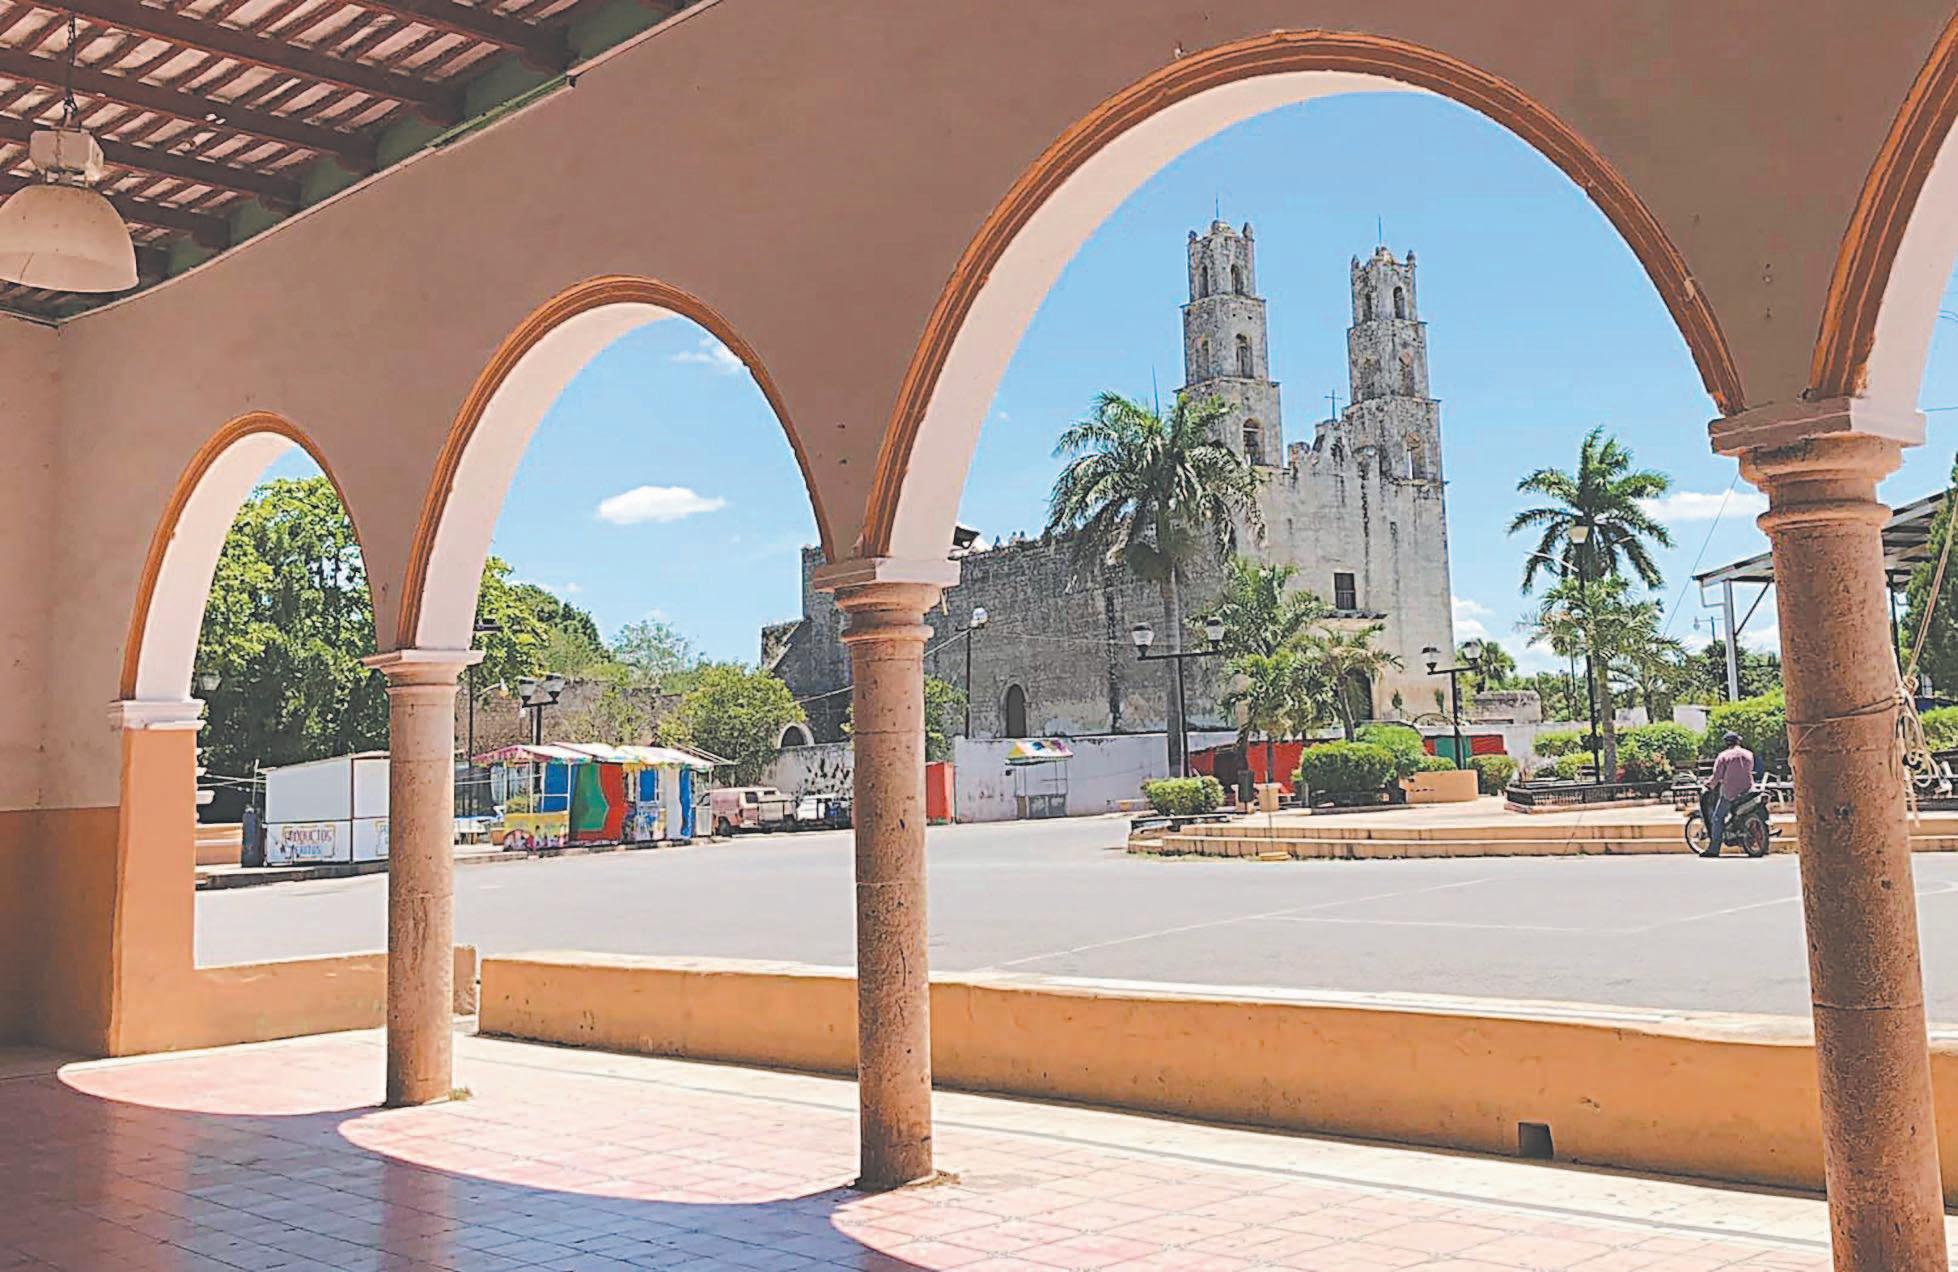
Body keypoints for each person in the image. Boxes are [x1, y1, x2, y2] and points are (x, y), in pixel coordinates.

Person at [1706, 731, 1756, 852]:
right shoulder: (1749, 754)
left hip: (1730, 793)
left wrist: (1709, 785)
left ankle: (1714, 849)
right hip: (1748, 790)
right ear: (1738, 741)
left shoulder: (1723, 756)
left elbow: (1717, 776)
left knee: (1717, 818)